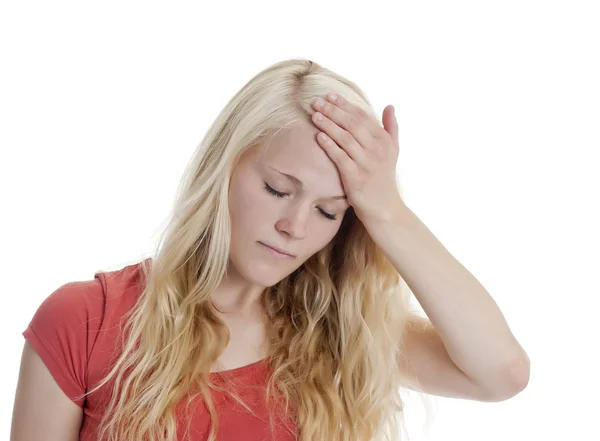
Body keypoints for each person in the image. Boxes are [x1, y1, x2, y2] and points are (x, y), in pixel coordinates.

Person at [11, 58, 530, 441]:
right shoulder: (86, 321)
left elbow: (501, 374)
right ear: (225, 167)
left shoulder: (343, 333)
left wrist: (388, 210)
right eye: (278, 189)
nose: (294, 226)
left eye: (330, 211)